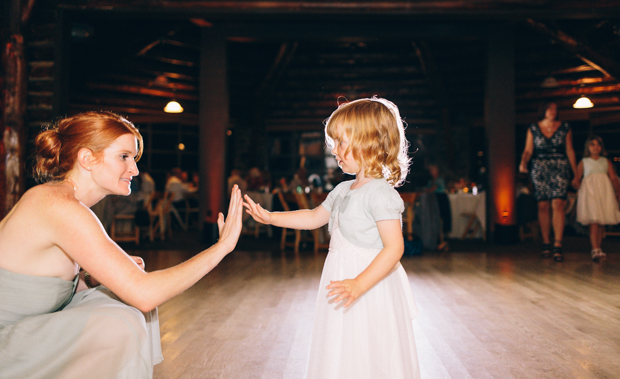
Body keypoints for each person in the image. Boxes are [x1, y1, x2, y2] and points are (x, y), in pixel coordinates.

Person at [0, 111, 243, 379]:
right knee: (121, 322)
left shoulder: (67, 204)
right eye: (124, 157)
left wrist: (95, 278)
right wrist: (221, 247)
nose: (135, 169)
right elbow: (145, 294)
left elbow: (35, 284)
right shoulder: (58, 205)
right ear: (87, 158)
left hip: (24, 331)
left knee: (123, 306)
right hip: (6, 345)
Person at [244, 97, 420, 379]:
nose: (334, 150)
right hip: (342, 280)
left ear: (368, 142)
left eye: (340, 142)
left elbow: (394, 248)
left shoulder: (381, 194)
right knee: (342, 346)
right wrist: (272, 217)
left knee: (370, 348)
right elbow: (314, 217)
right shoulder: (342, 189)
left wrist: (359, 284)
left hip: (370, 284)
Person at [519, 102, 577, 262]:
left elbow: (570, 150)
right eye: (550, 108)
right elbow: (528, 150)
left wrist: (575, 173)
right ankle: (546, 243)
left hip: (559, 166)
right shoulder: (533, 128)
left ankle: (558, 244)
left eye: (556, 108)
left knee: (558, 203)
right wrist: (523, 162)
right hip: (539, 167)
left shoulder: (565, 127)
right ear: (543, 110)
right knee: (542, 205)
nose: (553, 111)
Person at [572, 135, 620, 261]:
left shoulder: (605, 161)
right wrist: (576, 183)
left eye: (598, 144)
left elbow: (613, 177)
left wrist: (618, 190)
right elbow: (576, 178)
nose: (596, 147)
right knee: (594, 221)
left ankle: (599, 247)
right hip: (590, 193)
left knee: (601, 222)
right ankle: (595, 249)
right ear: (588, 147)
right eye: (592, 144)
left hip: (604, 192)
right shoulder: (584, 162)